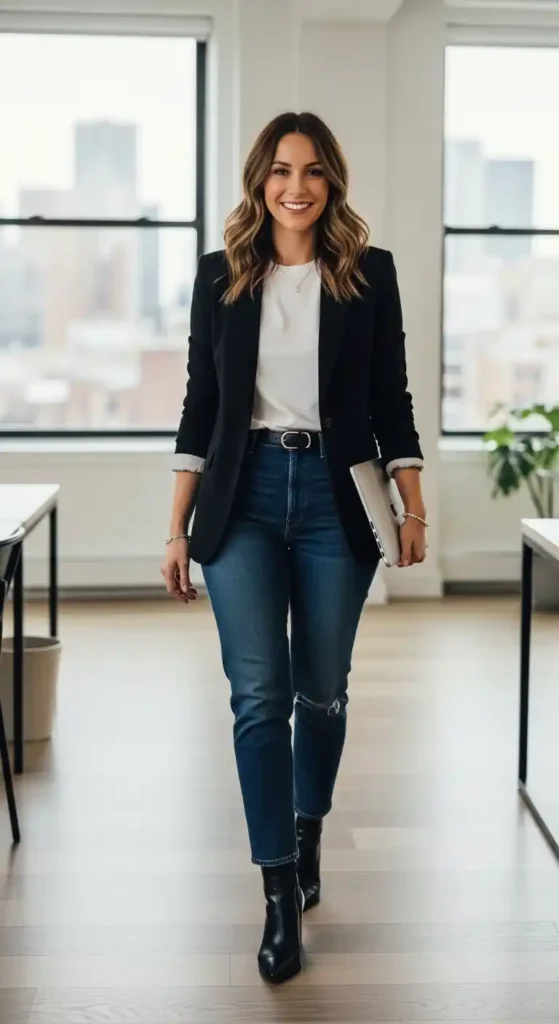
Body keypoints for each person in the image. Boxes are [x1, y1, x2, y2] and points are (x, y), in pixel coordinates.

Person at [161, 111, 427, 984]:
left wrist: (412, 509)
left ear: (331, 181)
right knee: (256, 697)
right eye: (281, 170)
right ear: (258, 180)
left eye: (312, 171)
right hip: (240, 500)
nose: (296, 187)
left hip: (334, 498)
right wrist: (177, 526)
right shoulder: (220, 277)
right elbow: (201, 405)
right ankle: (278, 896)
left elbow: (390, 395)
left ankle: (309, 831)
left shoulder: (367, 273)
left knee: (322, 693)